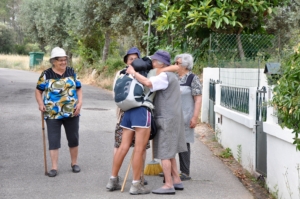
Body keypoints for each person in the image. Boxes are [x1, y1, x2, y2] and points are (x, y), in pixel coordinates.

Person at [126, 50, 187, 195]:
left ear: (160, 63)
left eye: (154, 61)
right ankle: (177, 180)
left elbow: (147, 82)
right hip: (173, 116)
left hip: (166, 117)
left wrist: (133, 72)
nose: (152, 64)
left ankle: (168, 184)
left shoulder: (164, 76)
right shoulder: (171, 75)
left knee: (165, 152)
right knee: (170, 151)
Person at [107, 48, 155, 195]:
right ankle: (136, 185)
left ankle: (112, 180)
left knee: (123, 147)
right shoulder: (148, 72)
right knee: (139, 150)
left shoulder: (123, 73)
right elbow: (151, 84)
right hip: (141, 111)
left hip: (127, 112)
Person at [35, 47, 82, 177]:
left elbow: (79, 88)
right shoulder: (46, 74)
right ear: (53, 61)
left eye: (65, 60)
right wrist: (40, 103)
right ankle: (54, 167)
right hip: (52, 113)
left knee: (73, 138)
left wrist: (79, 103)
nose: (63, 62)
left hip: (72, 112)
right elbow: (38, 90)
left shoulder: (72, 72)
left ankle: (74, 163)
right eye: (60, 60)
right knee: (53, 139)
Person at [175, 53, 202, 181]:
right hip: (172, 115)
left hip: (186, 115)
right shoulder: (173, 77)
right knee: (170, 141)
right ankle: (171, 169)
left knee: (184, 142)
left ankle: (185, 172)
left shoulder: (192, 78)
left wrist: (195, 117)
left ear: (185, 65)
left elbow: (198, 99)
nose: (175, 65)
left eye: (177, 63)